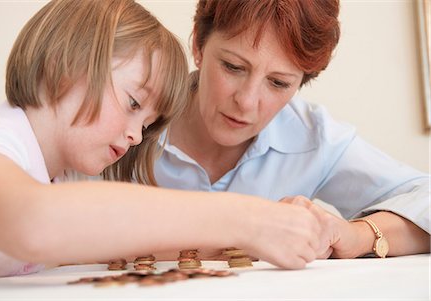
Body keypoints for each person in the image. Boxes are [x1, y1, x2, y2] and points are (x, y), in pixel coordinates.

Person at [0, 0, 329, 278]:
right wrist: (248, 219)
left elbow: (119, 245)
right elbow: (32, 221)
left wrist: (257, 239)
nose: (135, 136)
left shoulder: (61, 177)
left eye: (147, 124)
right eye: (133, 102)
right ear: (62, 64)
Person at [153, 0, 430, 259]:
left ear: (300, 83)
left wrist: (359, 235)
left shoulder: (315, 137)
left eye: (278, 83)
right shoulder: (134, 114)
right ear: (199, 46)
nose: (247, 101)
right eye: (233, 67)